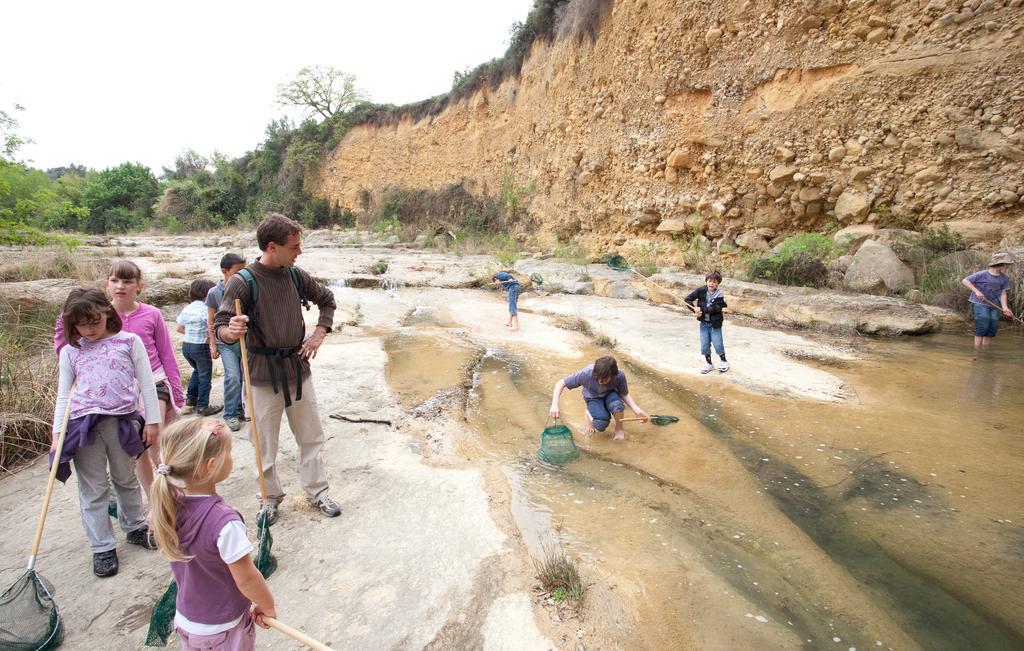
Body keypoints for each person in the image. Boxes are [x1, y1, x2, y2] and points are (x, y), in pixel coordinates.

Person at [215, 212, 341, 525]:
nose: (299, 252)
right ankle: (269, 498)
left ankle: (318, 491)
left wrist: (319, 332)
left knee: (311, 436)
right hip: (261, 375)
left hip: (298, 371)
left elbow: (327, 299)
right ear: (273, 247)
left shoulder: (296, 275)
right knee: (265, 443)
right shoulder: (242, 283)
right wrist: (232, 330)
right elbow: (221, 326)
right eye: (294, 246)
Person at [52, 288, 161, 577]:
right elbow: (63, 395)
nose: (90, 328)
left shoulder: (129, 341)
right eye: (81, 323)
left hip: (123, 422)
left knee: (126, 478)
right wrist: (56, 435)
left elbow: (147, 384)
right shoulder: (70, 352)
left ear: (107, 314)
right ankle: (102, 547)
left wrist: (152, 421)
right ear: (71, 324)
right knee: (94, 487)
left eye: (95, 320)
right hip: (82, 427)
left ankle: (136, 526)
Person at [55, 260, 184, 503]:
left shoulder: (151, 314)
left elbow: (167, 355)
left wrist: (176, 392)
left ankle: (173, 494)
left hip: (154, 381)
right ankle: (154, 501)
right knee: (137, 450)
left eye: (127, 281)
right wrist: (65, 325)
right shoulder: (95, 317)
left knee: (157, 440)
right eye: (115, 280)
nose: (120, 286)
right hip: (118, 391)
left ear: (139, 286)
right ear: (106, 284)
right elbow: (71, 352)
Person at [150, 418, 276, 649]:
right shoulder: (225, 523)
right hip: (224, 629)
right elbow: (247, 578)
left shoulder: (167, 505)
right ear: (210, 465)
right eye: (228, 452)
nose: (232, 457)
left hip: (187, 620)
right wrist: (266, 604)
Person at [549, 356, 649, 441]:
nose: (600, 381)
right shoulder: (586, 373)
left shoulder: (620, 375)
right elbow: (561, 383)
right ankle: (589, 413)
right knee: (600, 425)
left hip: (610, 394)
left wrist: (637, 410)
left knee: (617, 406)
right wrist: (554, 405)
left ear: (613, 375)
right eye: (598, 377)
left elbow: (624, 394)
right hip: (593, 397)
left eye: (605, 379)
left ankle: (619, 429)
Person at [207, 253, 248, 431]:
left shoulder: (246, 287)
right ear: (224, 271)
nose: (242, 275)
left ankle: (240, 409)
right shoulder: (214, 293)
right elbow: (211, 321)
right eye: (237, 271)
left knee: (245, 377)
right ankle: (230, 414)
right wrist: (213, 344)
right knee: (233, 376)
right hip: (226, 343)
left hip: (245, 341)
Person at [176, 279, 222, 417]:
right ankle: (203, 406)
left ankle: (190, 399)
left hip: (186, 346)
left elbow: (179, 328)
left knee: (197, 371)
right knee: (205, 376)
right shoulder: (206, 309)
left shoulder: (187, 308)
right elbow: (211, 327)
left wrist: (192, 334)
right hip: (200, 347)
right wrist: (213, 343)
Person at [962, 251, 1015, 349]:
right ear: (1000, 264)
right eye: (1006, 264)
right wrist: (977, 291)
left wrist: (1005, 308)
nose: (1007, 266)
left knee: (992, 328)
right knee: (983, 326)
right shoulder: (982, 274)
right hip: (980, 303)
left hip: (995, 305)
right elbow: (965, 280)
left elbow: (1003, 293)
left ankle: (985, 351)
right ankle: (977, 351)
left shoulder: (1004, 278)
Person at [684, 270, 729, 374]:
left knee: (717, 343)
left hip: (715, 323)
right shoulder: (701, 290)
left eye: (714, 282)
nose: (711, 283)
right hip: (704, 323)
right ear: (706, 281)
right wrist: (694, 309)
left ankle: (724, 361)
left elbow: (715, 308)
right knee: (704, 344)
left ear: (718, 283)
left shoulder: (719, 294)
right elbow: (688, 299)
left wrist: (700, 309)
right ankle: (709, 364)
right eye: (709, 281)